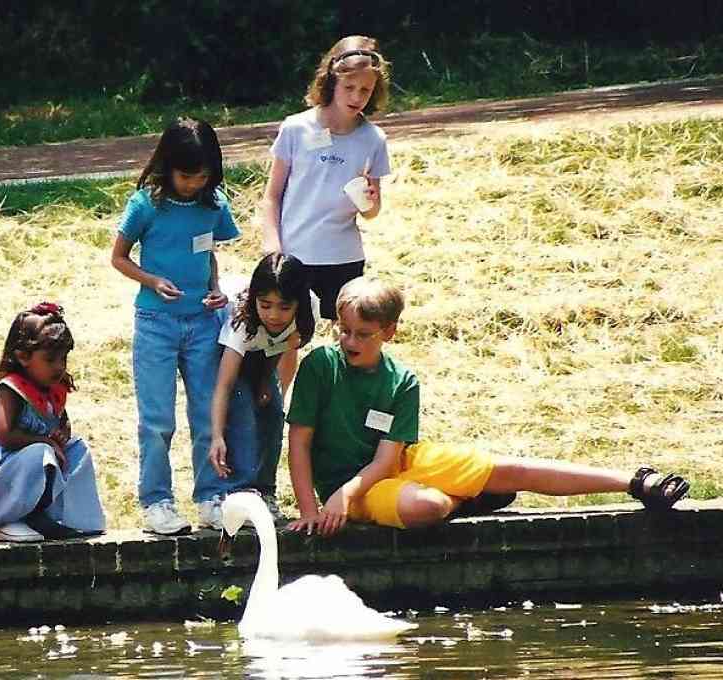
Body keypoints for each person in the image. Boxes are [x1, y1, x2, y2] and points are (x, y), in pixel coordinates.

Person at [285, 278, 691, 536]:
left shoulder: (402, 380)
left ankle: (637, 482)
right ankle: (466, 496)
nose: (351, 342)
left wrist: (350, 490)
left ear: (389, 332)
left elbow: (386, 460)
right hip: (351, 485)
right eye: (345, 332)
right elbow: (299, 442)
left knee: (508, 467)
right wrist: (314, 507)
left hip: (394, 464)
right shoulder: (321, 366)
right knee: (427, 506)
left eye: (364, 334)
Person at [110, 117, 240, 535]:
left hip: (203, 321)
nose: (192, 184)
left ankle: (210, 496)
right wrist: (151, 280)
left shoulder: (214, 203)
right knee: (157, 419)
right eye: (186, 175)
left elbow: (208, 253)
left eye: (201, 176)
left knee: (207, 415)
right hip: (156, 322)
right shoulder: (146, 204)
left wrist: (217, 288)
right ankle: (156, 501)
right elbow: (119, 257)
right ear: (168, 167)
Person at [260, 35, 393, 393]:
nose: (356, 97)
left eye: (366, 90)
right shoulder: (295, 128)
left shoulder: (373, 139)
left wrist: (369, 199)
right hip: (295, 252)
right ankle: (277, 405)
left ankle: (336, 407)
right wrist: (273, 248)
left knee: (346, 337)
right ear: (331, 80)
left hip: (343, 255)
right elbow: (271, 196)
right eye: (349, 87)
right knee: (288, 337)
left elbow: (373, 211)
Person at [0, 303, 106, 542]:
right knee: (40, 453)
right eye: (50, 359)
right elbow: (6, 435)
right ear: (23, 356)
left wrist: (61, 435)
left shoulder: (53, 389)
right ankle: (1, 520)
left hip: (37, 462)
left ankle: (69, 518)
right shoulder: (10, 390)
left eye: (63, 359)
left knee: (77, 449)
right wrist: (46, 442)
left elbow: (61, 423)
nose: (59, 367)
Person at [206, 254, 320, 528]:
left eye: (284, 307)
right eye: (265, 305)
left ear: (298, 304)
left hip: (267, 356)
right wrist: (217, 436)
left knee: (273, 416)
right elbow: (224, 384)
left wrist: (271, 385)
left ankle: (266, 491)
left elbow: (286, 347)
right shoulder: (243, 320)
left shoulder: (309, 309)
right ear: (255, 299)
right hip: (232, 353)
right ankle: (241, 494)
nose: (274, 315)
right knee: (243, 412)